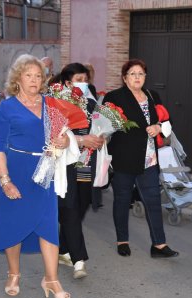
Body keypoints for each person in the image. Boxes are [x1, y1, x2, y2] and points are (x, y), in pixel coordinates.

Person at [0, 54, 71, 298]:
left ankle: (51, 279)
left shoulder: (51, 104)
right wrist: (5, 180)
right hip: (17, 170)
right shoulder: (7, 106)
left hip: (45, 170)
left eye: (38, 76)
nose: (34, 80)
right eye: (28, 75)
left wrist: (63, 141)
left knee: (48, 225)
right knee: (14, 224)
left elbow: (62, 138)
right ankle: (13, 274)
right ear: (18, 78)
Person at [103, 58, 178, 258]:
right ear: (125, 78)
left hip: (149, 159)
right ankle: (122, 240)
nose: (137, 77)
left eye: (141, 74)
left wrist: (159, 127)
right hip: (124, 157)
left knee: (153, 201)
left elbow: (167, 120)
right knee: (122, 199)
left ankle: (159, 245)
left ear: (145, 77)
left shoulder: (153, 96)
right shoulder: (114, 97)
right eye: (133, 74)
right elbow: (103, 126)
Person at [53, 63, 105, 279]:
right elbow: (55, 134)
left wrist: (102, 137)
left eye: (86, 79)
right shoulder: (56, 102)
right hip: (65, 163)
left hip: (87, 162)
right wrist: (82, 139)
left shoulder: (92, 101)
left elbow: (102, 127)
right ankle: (78, 260)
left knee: (81, 205)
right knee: (70, 208)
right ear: (67, 82)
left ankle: (63, 249)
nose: (83, 84)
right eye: (78, 80)